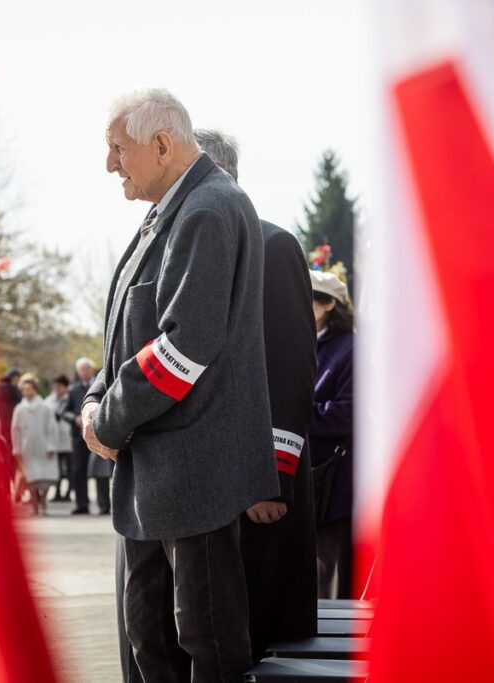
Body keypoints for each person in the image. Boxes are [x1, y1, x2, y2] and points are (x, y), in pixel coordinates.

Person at [81, 88, 277, 682]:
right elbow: (129, 336)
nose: (110, 164)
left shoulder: (208, 209)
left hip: (194, 475)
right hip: (160, 475)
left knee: (205, 642)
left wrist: (107, 420)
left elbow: (182, 350)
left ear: (162, 145)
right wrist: (96, 401)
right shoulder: (173, 209)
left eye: (118, 148)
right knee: (151, 641)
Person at [196, 128, 319, 660]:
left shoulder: (272, 245)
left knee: (263, 640)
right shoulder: (188, 253)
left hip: (259, 490)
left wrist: (271, 477)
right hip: (209, 487)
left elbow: (291, 367)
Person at [308, 270, 355, 599]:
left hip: (336, 482)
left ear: (327, 304)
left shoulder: (351, 348)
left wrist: (295, 416)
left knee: (334, 580)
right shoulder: (302, 343)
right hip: (308, 478)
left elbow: (349, 413)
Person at [62, 358, 108, 515]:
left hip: (98, 433)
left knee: (101, 470)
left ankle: (105, 505)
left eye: (87, 369)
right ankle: (82, 504)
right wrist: (73, 418)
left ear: (92, 369)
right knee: (78, 470)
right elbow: (62, 411)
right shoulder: (73, 390)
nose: (84, 372)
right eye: (81, 370)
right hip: (78, 437)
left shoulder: (102, 386)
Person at [11, 373, 58, 516]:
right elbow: (15, 430)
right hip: (28, 448)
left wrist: (51, 446)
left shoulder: (45, 407)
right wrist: (17, 448)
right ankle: (34, 506)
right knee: (30, 478)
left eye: (29, 389)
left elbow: (52, 428)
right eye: (24, 390)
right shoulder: (19, 409)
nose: (27, 392)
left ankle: (43, 501)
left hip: (44, 446)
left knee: (47, 477)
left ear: (35, 389)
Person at [45, 375, 73, 502]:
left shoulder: (70, 399)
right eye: (55, 386)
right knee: (57, 468)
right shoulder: (49, 401)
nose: (57, 389)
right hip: (55, 440)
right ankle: (57, 492)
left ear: (65, 387)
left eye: (60, 386)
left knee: (70, 467)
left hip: (68, 439)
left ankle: (68, 492)